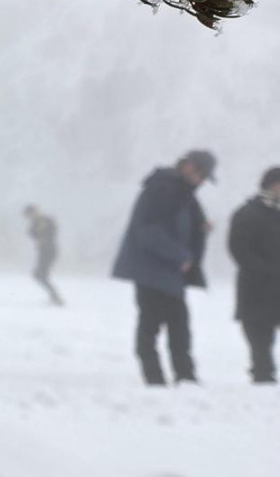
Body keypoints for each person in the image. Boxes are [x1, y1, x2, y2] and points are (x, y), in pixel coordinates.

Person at [111, 150, 214, 386]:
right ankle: (156, 378)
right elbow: (148, 231)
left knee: (178, 325)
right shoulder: (163, 188)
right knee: (152, 325)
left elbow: (180, 225)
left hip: (169, 271)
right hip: (152, 270)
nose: (202, 182)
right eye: (202, 175)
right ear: (188, 166)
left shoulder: (182, 192)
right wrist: (180, 256)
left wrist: (200, 230)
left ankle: (184, 376)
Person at [227, 166, 280, 384]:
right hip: (257, 288)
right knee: (260, 336)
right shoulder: (249, 213)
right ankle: (263, 377)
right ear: (272, 185)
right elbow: (239, 249)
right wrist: (265, 271)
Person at [23, 205, 63, 306]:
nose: (28, 217)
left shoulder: (45, 220)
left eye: (29, 214)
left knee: (40, 275)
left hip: (48, 251)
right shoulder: (36, 223)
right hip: (43, 251)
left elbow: (52, 232)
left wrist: (43, 234)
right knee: (39, 275)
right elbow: (31, 233)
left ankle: (56, 298)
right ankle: (54, 297)